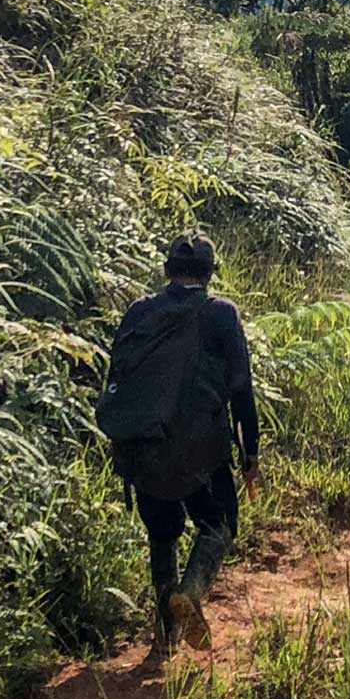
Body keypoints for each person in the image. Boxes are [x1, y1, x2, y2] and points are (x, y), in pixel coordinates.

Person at [109, 233, 259, 651]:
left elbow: (117, 383)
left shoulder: (139, 312)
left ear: (165, 271)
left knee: (162, 535)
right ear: (210, 275)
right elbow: (241, 389)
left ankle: (165, 639)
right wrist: (250, 452)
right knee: (221, 523)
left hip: (143, 449)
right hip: (200, 454)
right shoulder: (221, 315)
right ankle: (190, 593)